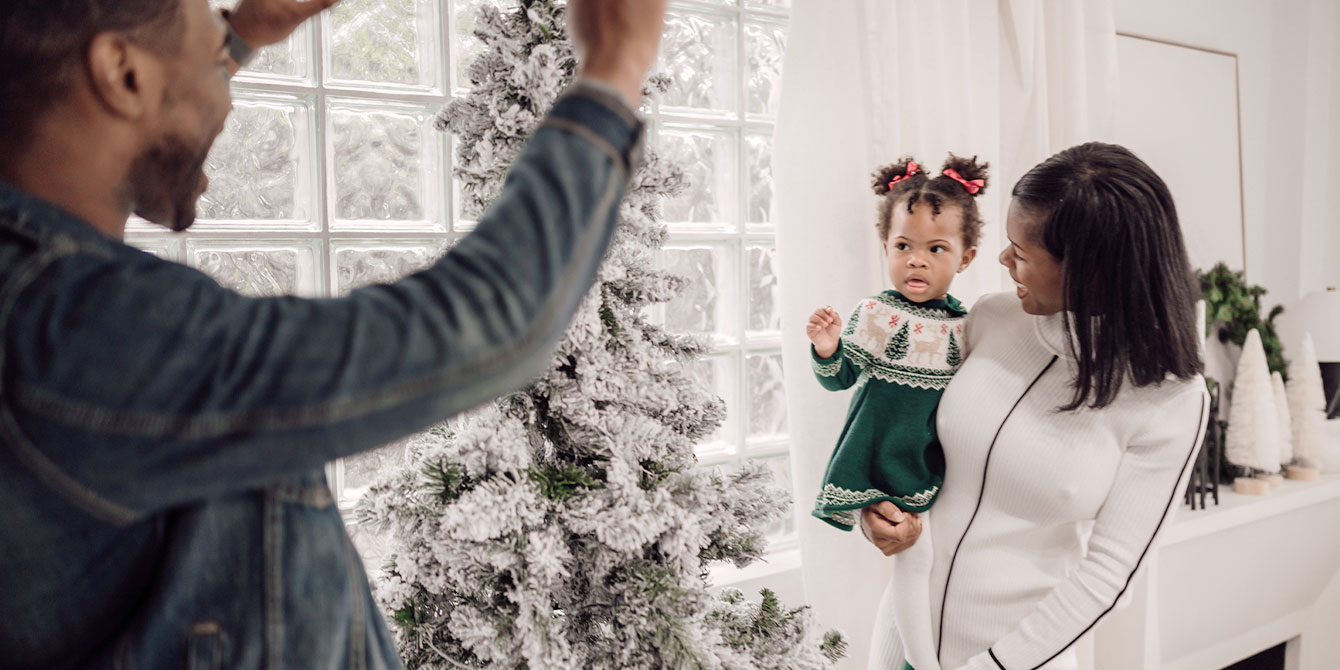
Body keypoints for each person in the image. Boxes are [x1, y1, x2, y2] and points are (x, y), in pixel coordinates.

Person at [0, 0, 667, 667]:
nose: (225, 100)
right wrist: (615, 66)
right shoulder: (82, 330)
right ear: (123, 73)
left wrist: (240, 37)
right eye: (213, 62)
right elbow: (489, 322)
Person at [860, 142, 1210, 670]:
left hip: (1015, 660)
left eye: (1021, 253)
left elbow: (1109, 576)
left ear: (1089, 270)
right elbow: (905, 439)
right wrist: (874, 508)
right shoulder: (987, 320)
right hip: (902, 635)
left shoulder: (1168, 398)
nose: (1003, 261)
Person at [806, 155, 988, 531]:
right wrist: (828, 349)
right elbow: (839, 378)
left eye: (935, 249)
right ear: (885, 246)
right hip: (875, 458)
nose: (916, 261)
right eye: (903, 246)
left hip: (933, 466)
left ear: (965, 258)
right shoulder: (876, 313)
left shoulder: (967, 327)